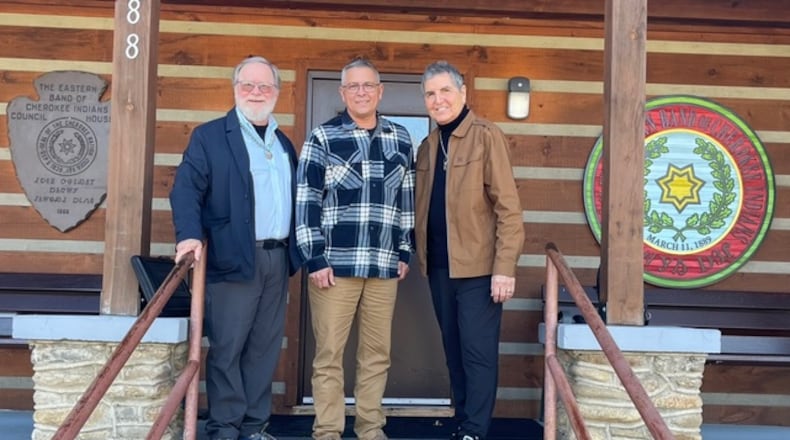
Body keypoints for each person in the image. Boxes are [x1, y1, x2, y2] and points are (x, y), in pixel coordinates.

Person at [170, 56, 302, 440]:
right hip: (232, 257)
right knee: (228, 348)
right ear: (235, 89)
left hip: (277, 260)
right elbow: (186, 189)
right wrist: (189, 235)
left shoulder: (282, 143)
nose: (256, 93)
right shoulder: (210, 137)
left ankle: (253, 427)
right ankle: (225, 429)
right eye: (248, 85)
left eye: (265, 86)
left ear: (277, 93)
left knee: (263, 348)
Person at [295, 58, 415, 440]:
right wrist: (313, 256)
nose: (361, 92)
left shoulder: (400, 138)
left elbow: (406, 200)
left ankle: (370, 429)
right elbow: (307, 200)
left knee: (376, 355)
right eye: (353, 86)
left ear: (380, 92)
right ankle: (328, 431)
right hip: (333, 267)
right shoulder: (322, 138)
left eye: (368, 85)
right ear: (342, 93)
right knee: (329, 356)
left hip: (383, 266)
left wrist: (405, 249)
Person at [414, 61, 524, 440]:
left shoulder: (485, 135)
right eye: (430, 93)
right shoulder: (427, 147)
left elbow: (508, 207)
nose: (438, 99)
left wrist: (504, 267)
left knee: (477, 355)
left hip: (480, 270)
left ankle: (475, 430)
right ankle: (463, 423)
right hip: (440, 268)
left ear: (463, 93)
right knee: (454, 353)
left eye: (445, 91)